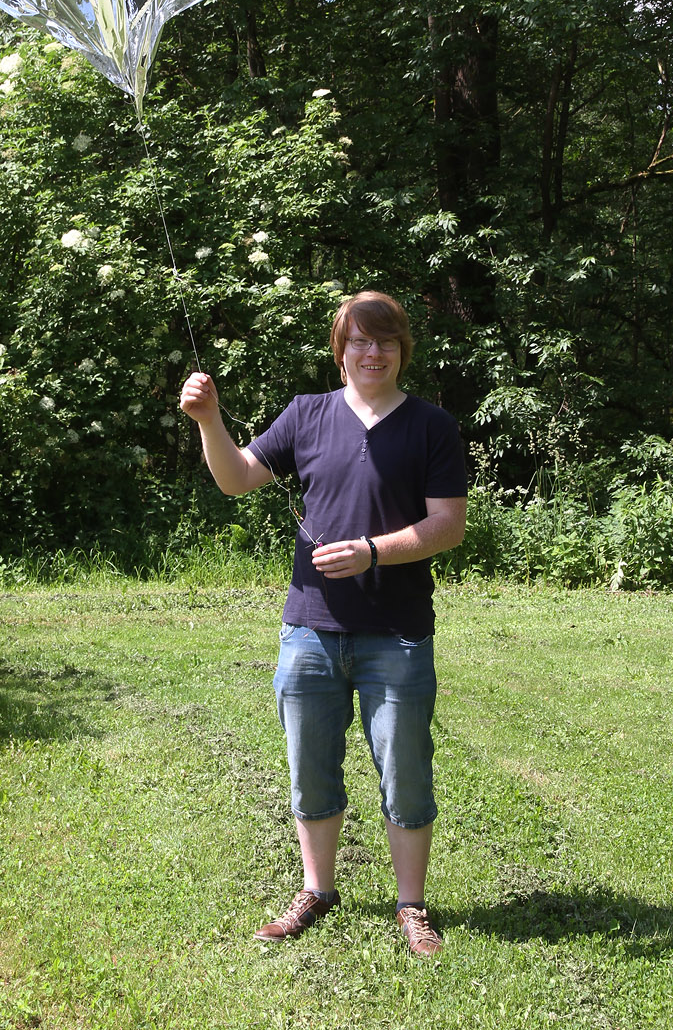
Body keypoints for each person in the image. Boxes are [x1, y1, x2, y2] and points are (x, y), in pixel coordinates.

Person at [179, 289, 467, 956]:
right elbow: (236, 478)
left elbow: (448, 525)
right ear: (341, 351)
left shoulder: (431, 426)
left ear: (402, 350)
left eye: (385, 340)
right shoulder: (306, 414)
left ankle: (412, 905)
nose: (373, 352)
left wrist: (373, 551)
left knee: (405, 772)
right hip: (309, 629)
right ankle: (316, 890)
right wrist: (209, 420)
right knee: (310, 770)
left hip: (397, 634)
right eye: (359, 341)